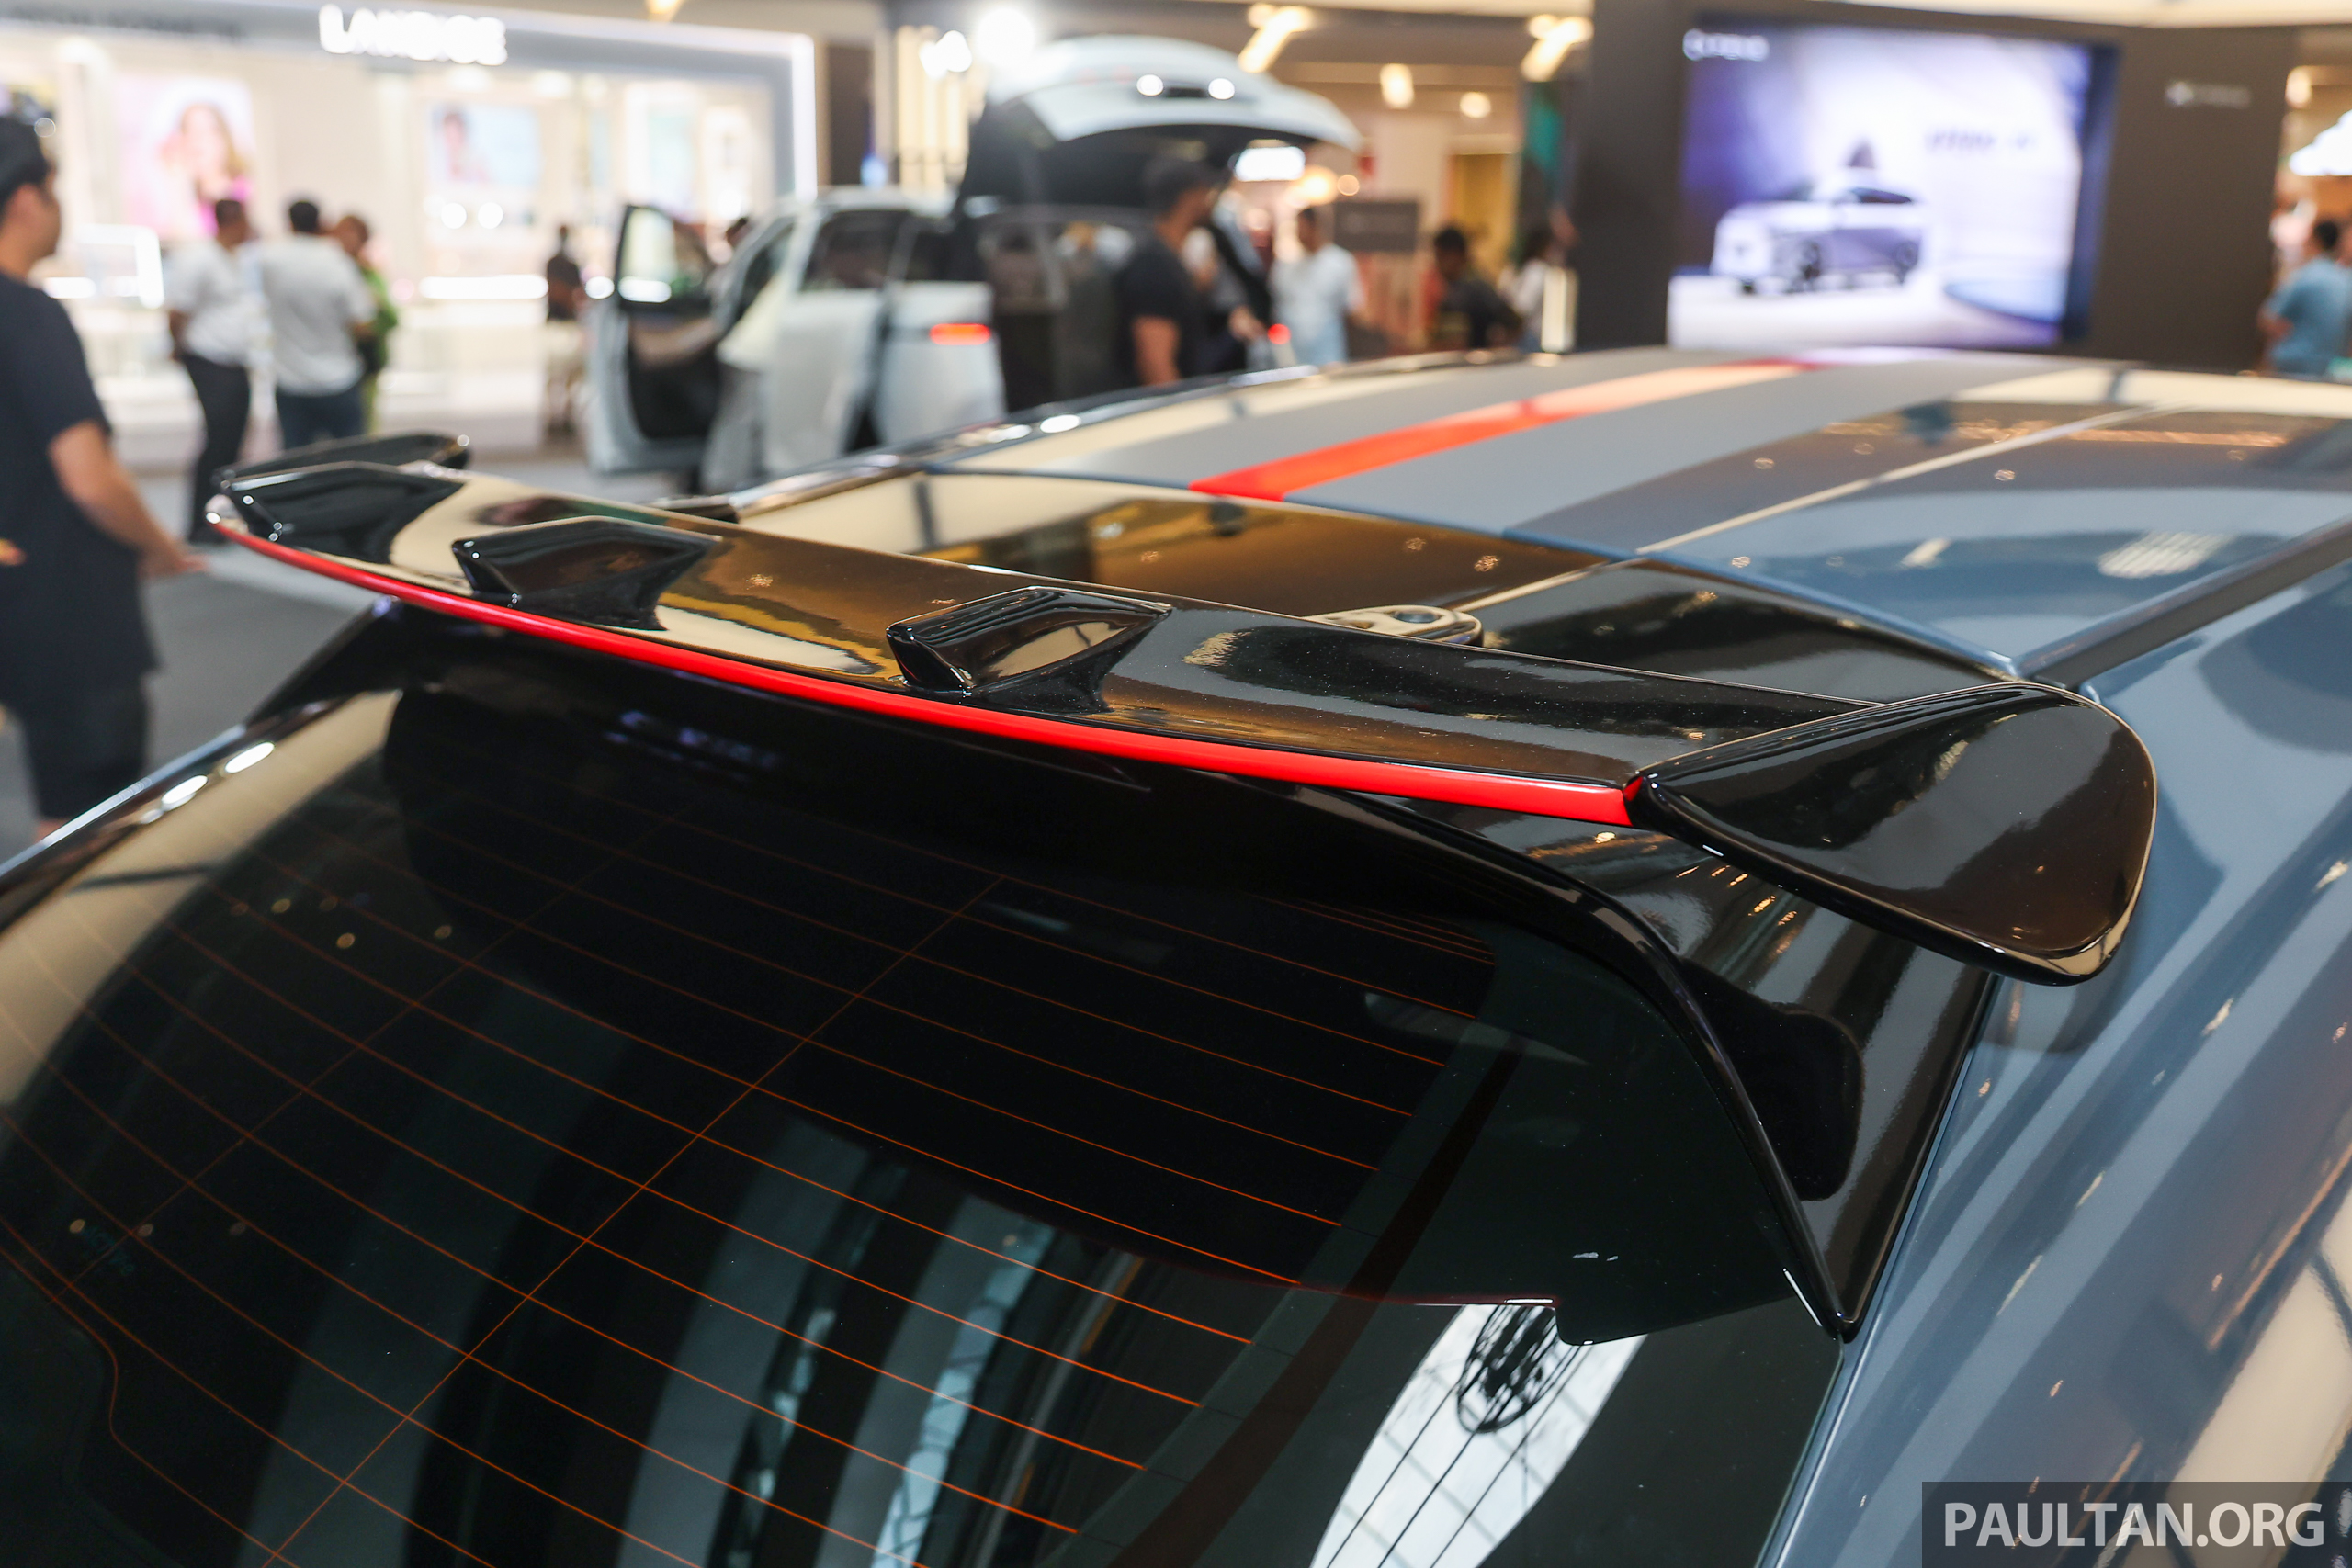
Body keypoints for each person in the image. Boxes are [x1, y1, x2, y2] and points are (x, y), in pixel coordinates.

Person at [0, 120, 202, 840]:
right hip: (66, 603)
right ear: (28, 199)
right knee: (91, 818)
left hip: (19, 597)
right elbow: (90, 478)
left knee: (58, 780)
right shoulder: (28, 315)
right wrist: (158, 546)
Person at [165, 195, 257, 540]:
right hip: (209, 359)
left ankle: (222, 516)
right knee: (218, 440)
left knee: (232, 442)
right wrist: (178, 348)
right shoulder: (200, 259)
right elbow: (178, 311)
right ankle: (200, 521)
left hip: (233, 361)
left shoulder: (233, 259)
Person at [255, 197, 374, 449]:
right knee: (350, 458)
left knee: (297, 462)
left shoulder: (270, 261)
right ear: (320, 222)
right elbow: (362, 324)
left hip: (291, 380)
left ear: (289, 223)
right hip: (338, 378)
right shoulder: (338, 262)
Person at [1116, 159, 1224, 388]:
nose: (1210, 202)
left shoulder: (1169, 259)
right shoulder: (1154, 266)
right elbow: (1156, 367)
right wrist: (1183, 406)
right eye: (1206, 193)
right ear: (1190, 197)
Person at [2260, 218, 2352, 380]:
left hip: (2292, 365)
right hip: (2330, 369)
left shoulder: (2307, 275)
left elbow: (2268, 319)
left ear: (2314, 240)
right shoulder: (2345, 279)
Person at [1271, 204, 1363, 367]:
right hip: (1291, 353)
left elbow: (1352, 309)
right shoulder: (1286, 266)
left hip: (1329, 352)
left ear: (1316, 226)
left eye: (1302, 226)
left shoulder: (1340, 262)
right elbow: (1277, 306)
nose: (1299, 232)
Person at [334, 212, 398, 431]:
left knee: (363, 422)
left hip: (364, 359)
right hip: (335, 359)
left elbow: (392, 318)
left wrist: (372, 318)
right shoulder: (331, 272)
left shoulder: (369, 275)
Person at [1428, 225, 1519, 353]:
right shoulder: (1472, 284)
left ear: (1456, 255)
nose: (1437, 264)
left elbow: (1452, 345)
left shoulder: (1466, 291)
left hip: (1468, 362)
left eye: (1440, 256)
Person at [544, 224, 587, 438]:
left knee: (571, 374)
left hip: (568, 324)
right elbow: (559, 292)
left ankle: (565, 415)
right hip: (558, 324)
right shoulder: (555, 263)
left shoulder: (570, 264)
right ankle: (554, 416)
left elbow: (578, 294)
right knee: (555, 374)